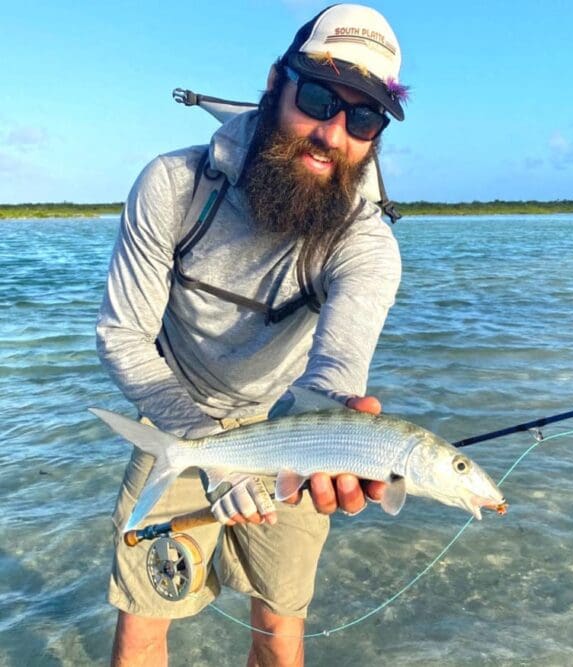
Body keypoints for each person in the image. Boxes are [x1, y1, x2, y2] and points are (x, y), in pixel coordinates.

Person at [95, 4, 408, 665]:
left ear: (376, 134)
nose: (332, 132)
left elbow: (332, 373)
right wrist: (206, 445)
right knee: (143, 624)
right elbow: (123, 336)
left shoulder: (367, 245)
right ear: (275, 83)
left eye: (363, 117)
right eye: (318, 96)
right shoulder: (174, 186)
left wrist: (328, 427)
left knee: (279, 629)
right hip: (176, 413)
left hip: (289, 421)